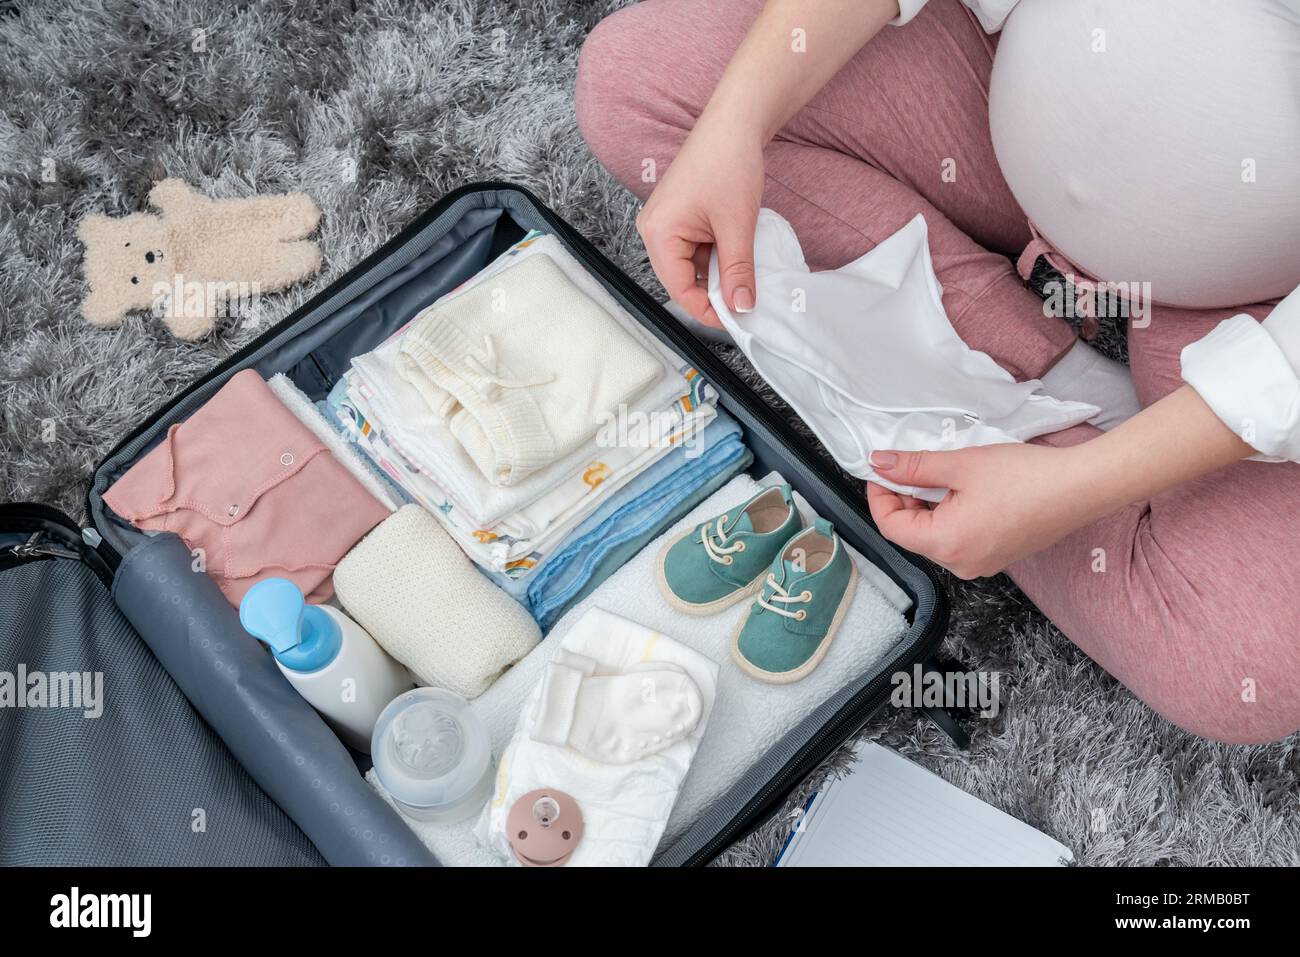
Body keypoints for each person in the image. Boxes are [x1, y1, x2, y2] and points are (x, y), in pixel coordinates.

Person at [573, 0, 1300, 743]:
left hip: (1239, 302)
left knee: (1244, 661)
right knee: (635, 85)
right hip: (993, 99)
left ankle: (1022, 424)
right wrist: (738, 125)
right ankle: (1030, 365)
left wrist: (1074, 489)